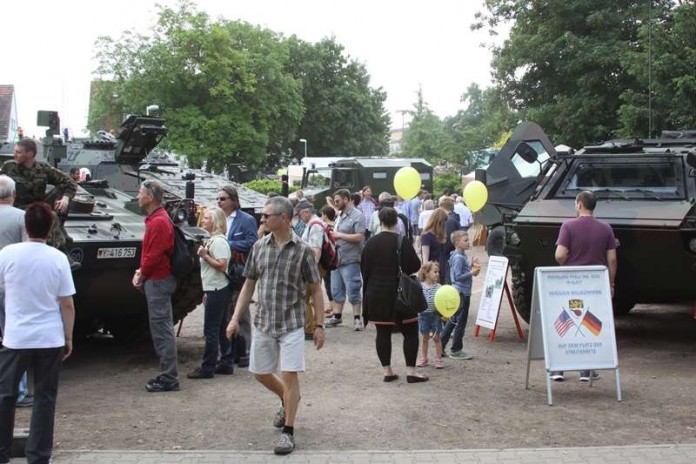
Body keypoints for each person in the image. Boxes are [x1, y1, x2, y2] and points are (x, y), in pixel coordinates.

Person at [226, 196, 325, 455]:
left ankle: (288, 432)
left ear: (283, 218)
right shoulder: (259, 247)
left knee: (290, 373)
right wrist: (236, 318)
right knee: (259, 372)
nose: (262, 219)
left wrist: (320, 326)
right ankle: (287, 398)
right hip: (264, 320)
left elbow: (315, 289)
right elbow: (249, 284)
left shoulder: (303, 250)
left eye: (266, 216)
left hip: (292, 322)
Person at [0, 202, 75, 464]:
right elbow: (67, 303)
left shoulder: (7, 254)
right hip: (49, 337)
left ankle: (2, 452)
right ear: (51, 226)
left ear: (25, 226)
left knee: (5, 394)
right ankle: (38, 455)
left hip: (15, 336)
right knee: (45, 397)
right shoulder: (58, 258)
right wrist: (68, 336)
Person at [551, 190, 617, 382]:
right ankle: (586, 370)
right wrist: (611, 283)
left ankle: (558, 368)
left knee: (566, 320)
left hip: (572, 282)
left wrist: (569, 264)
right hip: (595, 284)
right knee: (589, 324)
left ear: (579, 204)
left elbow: (560, 255)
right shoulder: (606, 228)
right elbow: (612, 259)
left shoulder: (568, 226)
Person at [360, 207, 426, 383]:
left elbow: (364, 270)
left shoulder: (370, 243)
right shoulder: (401, 241)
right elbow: (415, 265)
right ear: (397, 222)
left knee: (383, 332)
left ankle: (387, 371)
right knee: (410, 331)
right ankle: (411, 371)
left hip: (377, 294)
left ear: (379, 221)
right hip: (401, 295)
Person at [1, 139, 79, 270]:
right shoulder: (9, 167)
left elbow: (69, 182)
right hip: (16, 207)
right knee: (51, 216)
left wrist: (65, 198)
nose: (15, 155)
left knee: (58, 200)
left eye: (19, 152)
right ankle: (62, 249)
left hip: (37, 205)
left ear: (30, 154)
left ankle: (62, 249)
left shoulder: (43, 168)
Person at [132, 180, 179, 392]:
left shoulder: (159, 222)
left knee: (161, 328)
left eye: (140, 193)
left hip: (158, 280)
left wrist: (142, 274)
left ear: (150, 197)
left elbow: (154, 254)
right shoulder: (157, 219)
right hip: (157, 278)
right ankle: (168, 374)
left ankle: (169, 376)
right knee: (161, 326)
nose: (137, 196)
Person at [188, 207, 234, 379]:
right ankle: (226, 362)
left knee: (211, 329)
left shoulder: (219, 242)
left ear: (215, 221)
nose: (203, 220)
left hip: (217, 288)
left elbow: (222, 265)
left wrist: (205, 255)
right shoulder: (214, 240)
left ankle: (208, 367)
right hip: (215, 287)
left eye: (207, 218)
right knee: (220, 327)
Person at [217, 186, 258, 368]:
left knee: (240, 312)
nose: (219, 202)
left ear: (233, 200)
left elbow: (252, 242)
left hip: (239, 271)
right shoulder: (218, 219)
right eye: (218, 199)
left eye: (223, 198)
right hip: (221, 271)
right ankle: (230, 350)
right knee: (225, 312)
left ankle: (246, 352)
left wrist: (227, 244)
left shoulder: (246, 220)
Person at [0, 175, 32, 409]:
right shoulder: (21, 217)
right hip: (10, 287)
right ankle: (18, 391)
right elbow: (27, 252)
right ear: (13, 195)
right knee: (14, 338)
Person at [325, 189, 366, 330]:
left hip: (351, 259)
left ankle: (357, 319)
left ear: (346, 200)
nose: (335, 204)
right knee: (336, 289)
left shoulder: (358, 216)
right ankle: (337, 316)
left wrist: (339, 235)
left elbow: (360, 237)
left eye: (337, 201)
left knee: (353, 289)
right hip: (337, 259)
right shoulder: (339, 215)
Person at [441, 230, 480, 360]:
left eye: (468, 240)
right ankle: (456, 350)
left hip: (460, 292)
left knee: (453, 320)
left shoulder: (459, 256)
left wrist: (470, 266)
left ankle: (440, 345)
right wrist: (471, 273)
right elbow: (457, 277)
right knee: (460, 322)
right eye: (465, 240)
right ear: (457, 243)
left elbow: (460, 271)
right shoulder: (458, 257)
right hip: (461, 293)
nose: (468, 242)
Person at [295, 201, 325, 340]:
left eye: (300, 215)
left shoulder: (315, 226)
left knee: (305, 296)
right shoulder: (315, 224)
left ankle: (310, 328)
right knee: (308, 296)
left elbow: (316, 250)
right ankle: (310, 326)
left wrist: (309, 270)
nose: (300, 218)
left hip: (313, 266)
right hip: (315, 266)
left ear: (306, 212)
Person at [416, 262, 444, 369]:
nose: (437, 274)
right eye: (435, 272)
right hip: (423, 316)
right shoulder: (421, 287)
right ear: (426, 273)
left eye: (438, 272)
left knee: (437, 338)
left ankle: (438, 359)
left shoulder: (439, 287)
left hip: (436, 315)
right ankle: (424, 358)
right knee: (425, 338)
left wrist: (444, 314)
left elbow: (443, 301)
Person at [420, 209, 448, 284]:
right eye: (443, 223)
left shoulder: (439, 235)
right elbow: (425, 259)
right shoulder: (426, 236)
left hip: (442, 270)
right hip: (433, 273)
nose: (444, 226)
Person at [439, 196, 462, 284]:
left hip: (448, 257)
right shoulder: (453, 219)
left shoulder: (449, 221)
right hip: (451, 255)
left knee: (448, 281)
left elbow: (448, 240)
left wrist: (443, 251)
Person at [320, 205, 336, 313]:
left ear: (325, 215)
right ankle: (333, 306)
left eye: (322, 214)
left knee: (328, 282)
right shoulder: (336, 225)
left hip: (327, 257)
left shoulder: (325, 227)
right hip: (335, 257)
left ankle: (333, 307)